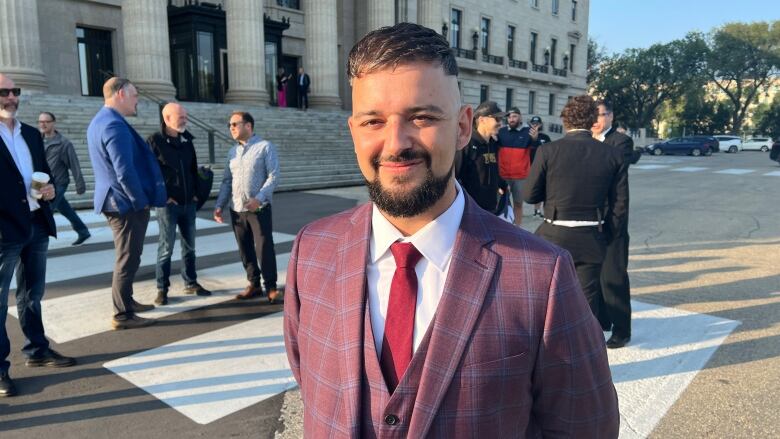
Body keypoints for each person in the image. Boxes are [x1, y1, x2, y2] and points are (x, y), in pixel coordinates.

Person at [284, 23, 619, 437]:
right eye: (373, 121)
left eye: (421, 116)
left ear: (462, 127)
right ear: (353, 131)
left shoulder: (541, 275)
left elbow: (583, 428)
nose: (395, 143)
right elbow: (312, 382)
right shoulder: (312, 251)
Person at [523, 95, 629, 329]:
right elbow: (620, 206)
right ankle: (585, 350)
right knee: (587, 299)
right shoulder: (612, 155)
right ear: (592, 120)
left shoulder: (548, 151)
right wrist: (607, 236)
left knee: (548, 296)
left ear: (565, 120)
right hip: (591, 235)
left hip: (554, 233)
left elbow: (530, 195)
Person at [1, 74, 76, 398]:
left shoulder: (31, 134)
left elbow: (43, 174)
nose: (11, 97)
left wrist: (49, 190)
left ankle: (37, 350)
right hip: (4, 230)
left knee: (32, 294)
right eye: (4, 92)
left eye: (15, 91)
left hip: (36, 223)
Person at [87, 77, 166, 330]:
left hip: (114, 199)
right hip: (124, 203)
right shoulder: (113, 125)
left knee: (129, 255)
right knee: (128, 257)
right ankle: (122, 315)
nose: (137, 101)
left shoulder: (101, 120)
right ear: (121, 93)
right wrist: (139, 201)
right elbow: (124, 171)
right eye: (134, 96)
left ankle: (127, 301)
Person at [147, 103, 212, 306]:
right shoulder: (154, 141)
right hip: (168, 205)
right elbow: (150, 173)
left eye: (185, 116)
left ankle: (190, 282)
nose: (185, 119)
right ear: (167, 118)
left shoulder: (186, 140)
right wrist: (163, 197)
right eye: (180, 116)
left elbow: (193, 170)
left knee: (190, 246)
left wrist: (195, 195)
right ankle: (162, 288)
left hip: (188, 204)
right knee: (166, 247)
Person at [214, 112, 280, 303]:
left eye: (235, 124)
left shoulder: (264, 147)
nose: (231, 128)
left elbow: (274, 176)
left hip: (258, 209)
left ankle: (271, 287)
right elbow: (227, 181)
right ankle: (254, 284)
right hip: (236, 209)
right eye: (229, 125)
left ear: (249, 126)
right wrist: (220, 204)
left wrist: (259, 199)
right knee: (245, 249)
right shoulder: (232, 152)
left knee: (264, 247)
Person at [592, 100, 639, 348]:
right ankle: (603, 320)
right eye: (594, 115)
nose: (597, 120)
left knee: (614, 275)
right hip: (590, 219)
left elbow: (611, 165)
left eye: (601, 115)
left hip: (613, 219)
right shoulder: (590, 140)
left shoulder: (620, 141)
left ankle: (622, 330)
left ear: (611, 116)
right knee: (596, 275)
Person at [39, 111, 91, 245]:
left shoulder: (63, 143)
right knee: (65, 209)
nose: (43, 124)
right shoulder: (37, 140)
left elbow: (74, 165)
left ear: (53, 123)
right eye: (40, 121)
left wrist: (80, 184)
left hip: (59, 183)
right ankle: (83, 231)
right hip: (43, 183)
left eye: (46, 121)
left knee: (45, 212)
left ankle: (37, 243)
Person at [455, 100, 508, 214]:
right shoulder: (466, 144)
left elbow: (492, 170)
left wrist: (501, 185)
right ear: (482, 120)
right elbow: (454, 178)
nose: (501, 124)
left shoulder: (493, 143)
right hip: (470, 212)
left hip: (491, 209)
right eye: (497, 119)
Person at [496, 107, 536, 225]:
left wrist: (535, 139)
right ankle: (500, 226)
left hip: (521, 177)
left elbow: (536, 151)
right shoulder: (501, 132)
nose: (511, 119)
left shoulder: (529, 132)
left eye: (514, 116)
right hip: (503, 176)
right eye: (509, 117)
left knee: (518, 204)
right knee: (500, 203)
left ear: (520, 117)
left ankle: (517, 229)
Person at [528, 115, 552, 218]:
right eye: (533, 124)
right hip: (531, 165)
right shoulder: (527, 136)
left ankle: (540, 210)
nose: (535, 126)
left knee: (544, 188)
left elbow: (550, 151)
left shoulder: (545, 137)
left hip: (545, 166)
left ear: (541, 125)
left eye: (537, 124)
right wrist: (534, 139)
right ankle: (536, 210)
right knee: (535, 187)